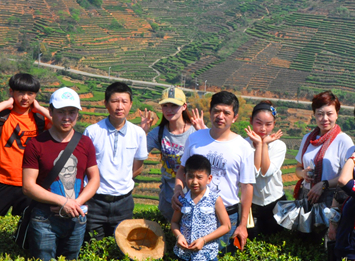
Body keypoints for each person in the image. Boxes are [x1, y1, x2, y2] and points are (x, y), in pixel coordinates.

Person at [22, 87, 100, 261]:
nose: (67, 118)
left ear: (78, 114)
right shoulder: (36, 144)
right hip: (44, 219)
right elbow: (28, 186)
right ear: (50, 112)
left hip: (76, 218)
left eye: (72, 112)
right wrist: (63, 202)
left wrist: (75, 204)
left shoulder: (85, 142)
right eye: (61, 112)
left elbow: (95, 179)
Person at [173, 91, 255, 252]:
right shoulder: (195, 139)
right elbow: (182, 170)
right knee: (190, 260)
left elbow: (247, 187)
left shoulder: (243, 147)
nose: (220, 116)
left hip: (226, 215)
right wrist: (177, 190)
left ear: (235, 117)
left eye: (226, 112)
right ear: (209, 112)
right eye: (216, 111)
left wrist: (243, 225)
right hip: (193, 211)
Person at [0, 73, 51, 222]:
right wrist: (6, 103)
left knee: (24, 230)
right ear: (12, 92)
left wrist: (40, 108)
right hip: (1, 181)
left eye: (30, 93)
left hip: (30, 184)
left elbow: (63, 125)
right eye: (20, 93)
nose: (25, 98)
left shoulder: (40, 118)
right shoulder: (3, 116)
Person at [83, 82, 149, 242]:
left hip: (123, 203)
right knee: (92, 246)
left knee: (121, 247)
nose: (120, 106)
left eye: (124, 102)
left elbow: (138, 168)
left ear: (131, 104)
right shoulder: (92, 132)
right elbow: (84, 167)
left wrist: (121, 178)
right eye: (114, 101)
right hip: (95, 201)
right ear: (105, 103)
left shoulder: (138, 133)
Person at [143, 87, 207, 222]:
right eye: (165, 106)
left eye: (174, 106)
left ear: (184, 107)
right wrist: (142, 133)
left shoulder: (195, 131)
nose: (169, 110)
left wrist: (204, 134)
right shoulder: (158, 132)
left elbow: (209, 159)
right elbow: (139, 154)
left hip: (194, 193)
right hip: (168, 195)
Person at [171, 154, 231, 261]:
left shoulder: (215, 199)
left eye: (199, 177)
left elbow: (226, 225)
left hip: (206, 258)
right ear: (185, 177)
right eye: (190, 176)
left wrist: (203, 240)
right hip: (183, 256)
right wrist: (179, 236)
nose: (194, 181)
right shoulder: (182, 199)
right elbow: (174, 222)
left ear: (209, 179)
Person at [295, 91, 355, 207]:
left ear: (337, 114)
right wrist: (303, 174)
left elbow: (348, 176)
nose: (324, 118)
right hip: (306, 197)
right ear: (314, 115)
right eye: (320, 114)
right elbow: (298, 168)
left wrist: (323, 184)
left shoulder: (343, 141)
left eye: (329, 114)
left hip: (331, 201)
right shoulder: (308, 138)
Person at [244, 101, 286, 239]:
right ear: (251, 121)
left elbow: (265, 172)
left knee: (276, 242)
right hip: (252, 204)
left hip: (275, 202)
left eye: (268, 124)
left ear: (274, 125)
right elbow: (254, 173)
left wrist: (263, 145)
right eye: (258, 123)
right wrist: (260, 145)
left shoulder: (279, 146)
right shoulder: (243, 145)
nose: (263, 129)